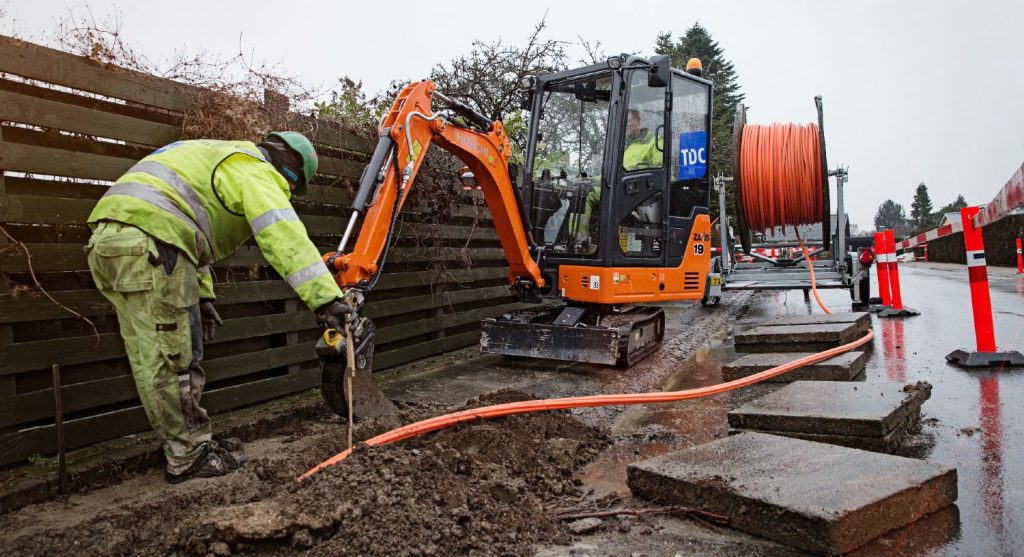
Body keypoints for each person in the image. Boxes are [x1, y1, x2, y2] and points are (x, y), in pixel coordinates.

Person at [84, 132, 353, 483]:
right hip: (152, 243)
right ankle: (189, 456)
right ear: (291, 170)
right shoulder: (256, 170)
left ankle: (193, 441)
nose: (287, 193)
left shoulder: (219, 155)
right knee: (172, 357)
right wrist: (327, 299)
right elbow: (281, 233)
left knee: (151, 353)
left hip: (115, 243)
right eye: (292, 187)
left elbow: (188, 224)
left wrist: (204, 294)